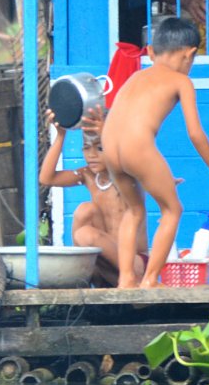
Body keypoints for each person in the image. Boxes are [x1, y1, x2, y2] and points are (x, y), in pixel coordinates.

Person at [99, 17, 209, 288]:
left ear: (153, 51)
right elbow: (195, 133)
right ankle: (151, 279)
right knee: (172, 209)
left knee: (133, 211)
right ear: (189, 54)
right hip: (137, 145)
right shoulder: (181, 81)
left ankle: (126, 279)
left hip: (109, 145)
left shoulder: (135, 76)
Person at [37, 107, 145, 285]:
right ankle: (78, 278)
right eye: (86, 148)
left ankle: (134, 280)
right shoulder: (87, 175)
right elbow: (46, 178)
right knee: (85, 210)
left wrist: (108, 134)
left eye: (100, 147)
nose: (92, 155)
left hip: (135, 263)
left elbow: (131, 157)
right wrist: (60, 136)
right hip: (105, 261)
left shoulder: (126, 173)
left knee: (85, 234)